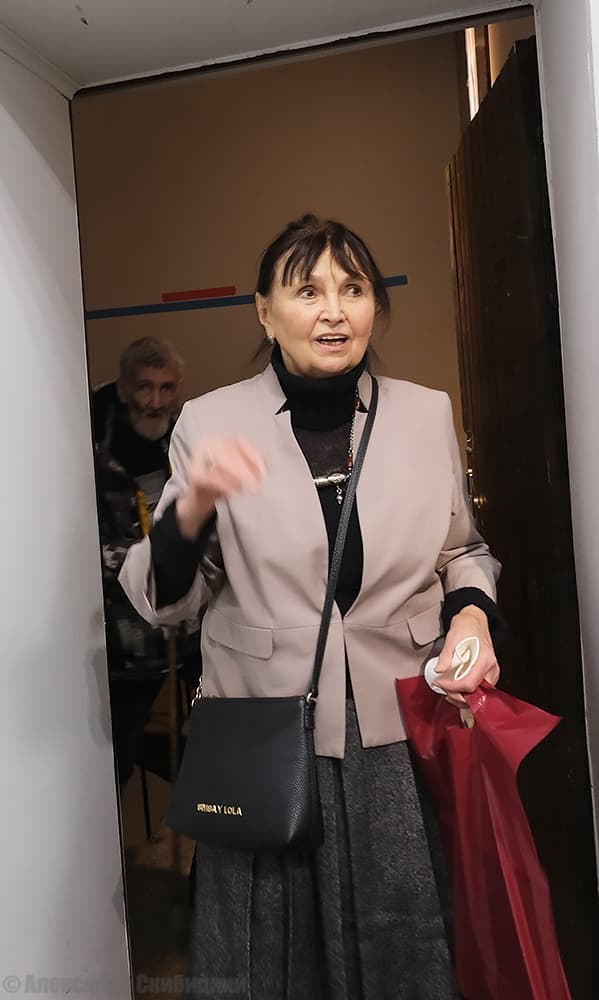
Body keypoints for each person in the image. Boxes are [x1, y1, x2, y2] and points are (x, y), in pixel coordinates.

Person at [119, 215, 501, 999]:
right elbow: (166, 602)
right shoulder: (211, 423)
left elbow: (461, 549)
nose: (333, 311)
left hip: (398, 727)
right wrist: (192, 512)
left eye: (352, 289)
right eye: (307, 291)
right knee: (271, 957)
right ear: (265, 312)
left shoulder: (423, 413)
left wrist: (470, 616)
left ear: (374, 306)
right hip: (267, 731)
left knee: (405, 942)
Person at [93, 336, 199, 787]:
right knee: (116, 759)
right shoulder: (86, 445)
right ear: (123, 389)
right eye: (144, 387)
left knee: (221, 748)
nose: (156, 402)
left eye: (166, 388)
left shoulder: (188, 437)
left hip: (191, 627)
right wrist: (142, 563)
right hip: (125, 638)